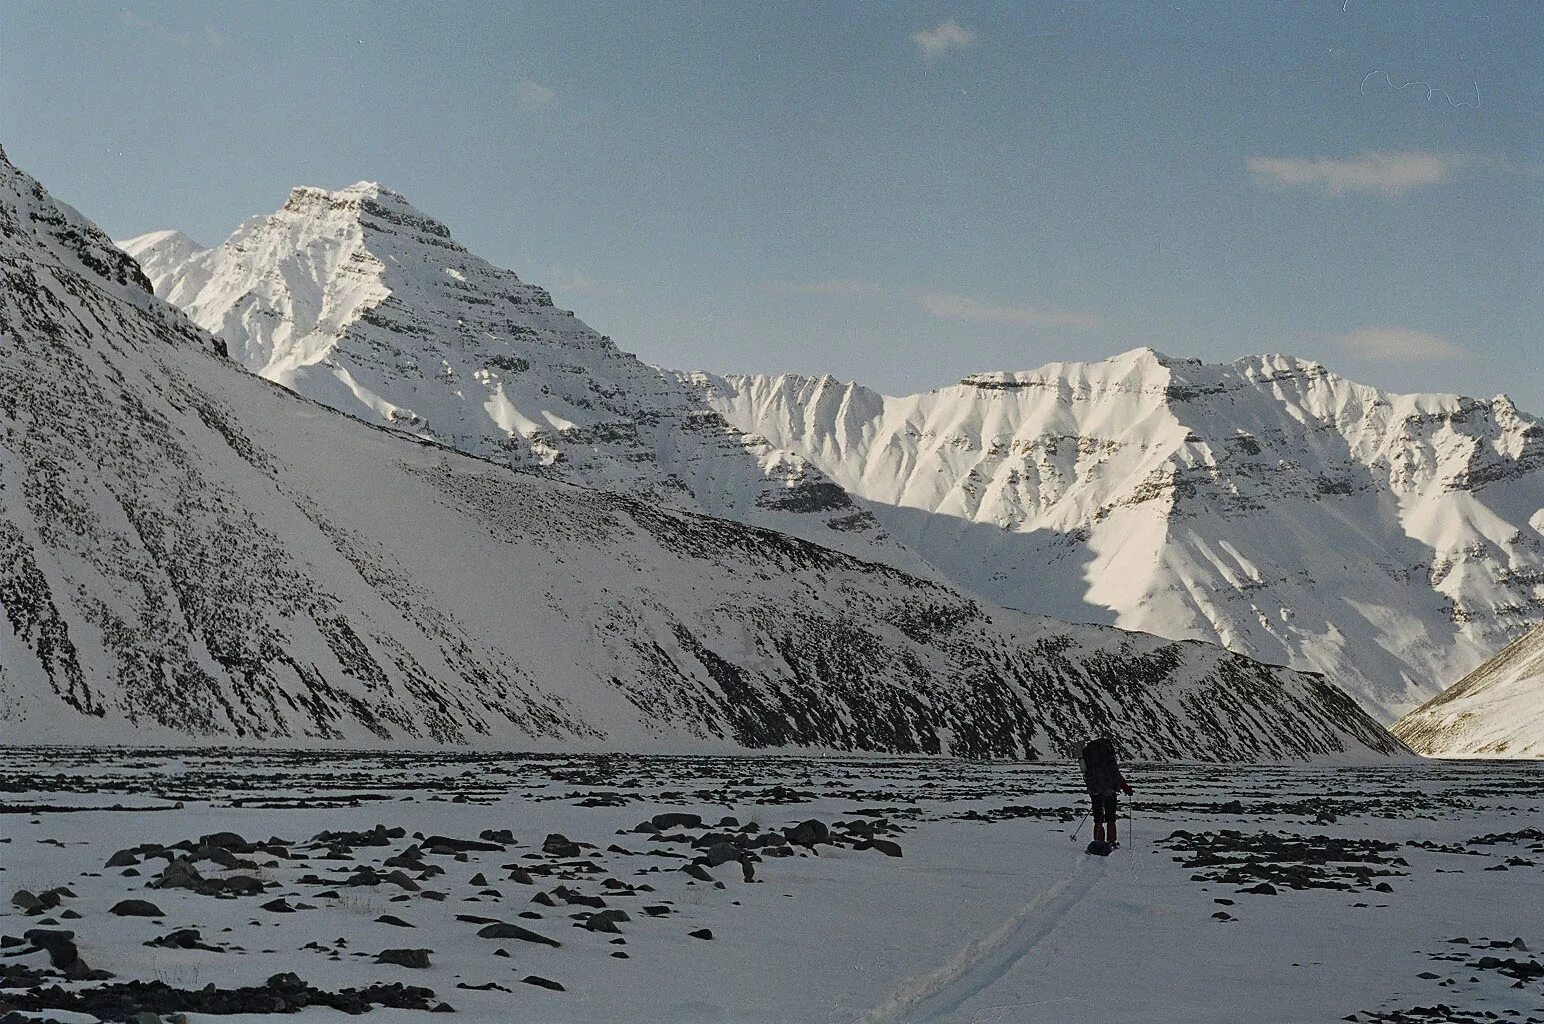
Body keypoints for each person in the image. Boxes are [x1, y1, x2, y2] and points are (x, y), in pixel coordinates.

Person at [1077, 736, 1134, 847]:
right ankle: (1111, 841)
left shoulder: (1090, 758)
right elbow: (1116, 775)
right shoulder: (1108, 759)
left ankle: (1098, 841)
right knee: (1110, 816)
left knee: (1098, 817)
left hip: (1094, 789)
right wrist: (1126, 787)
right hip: (1109, 789)